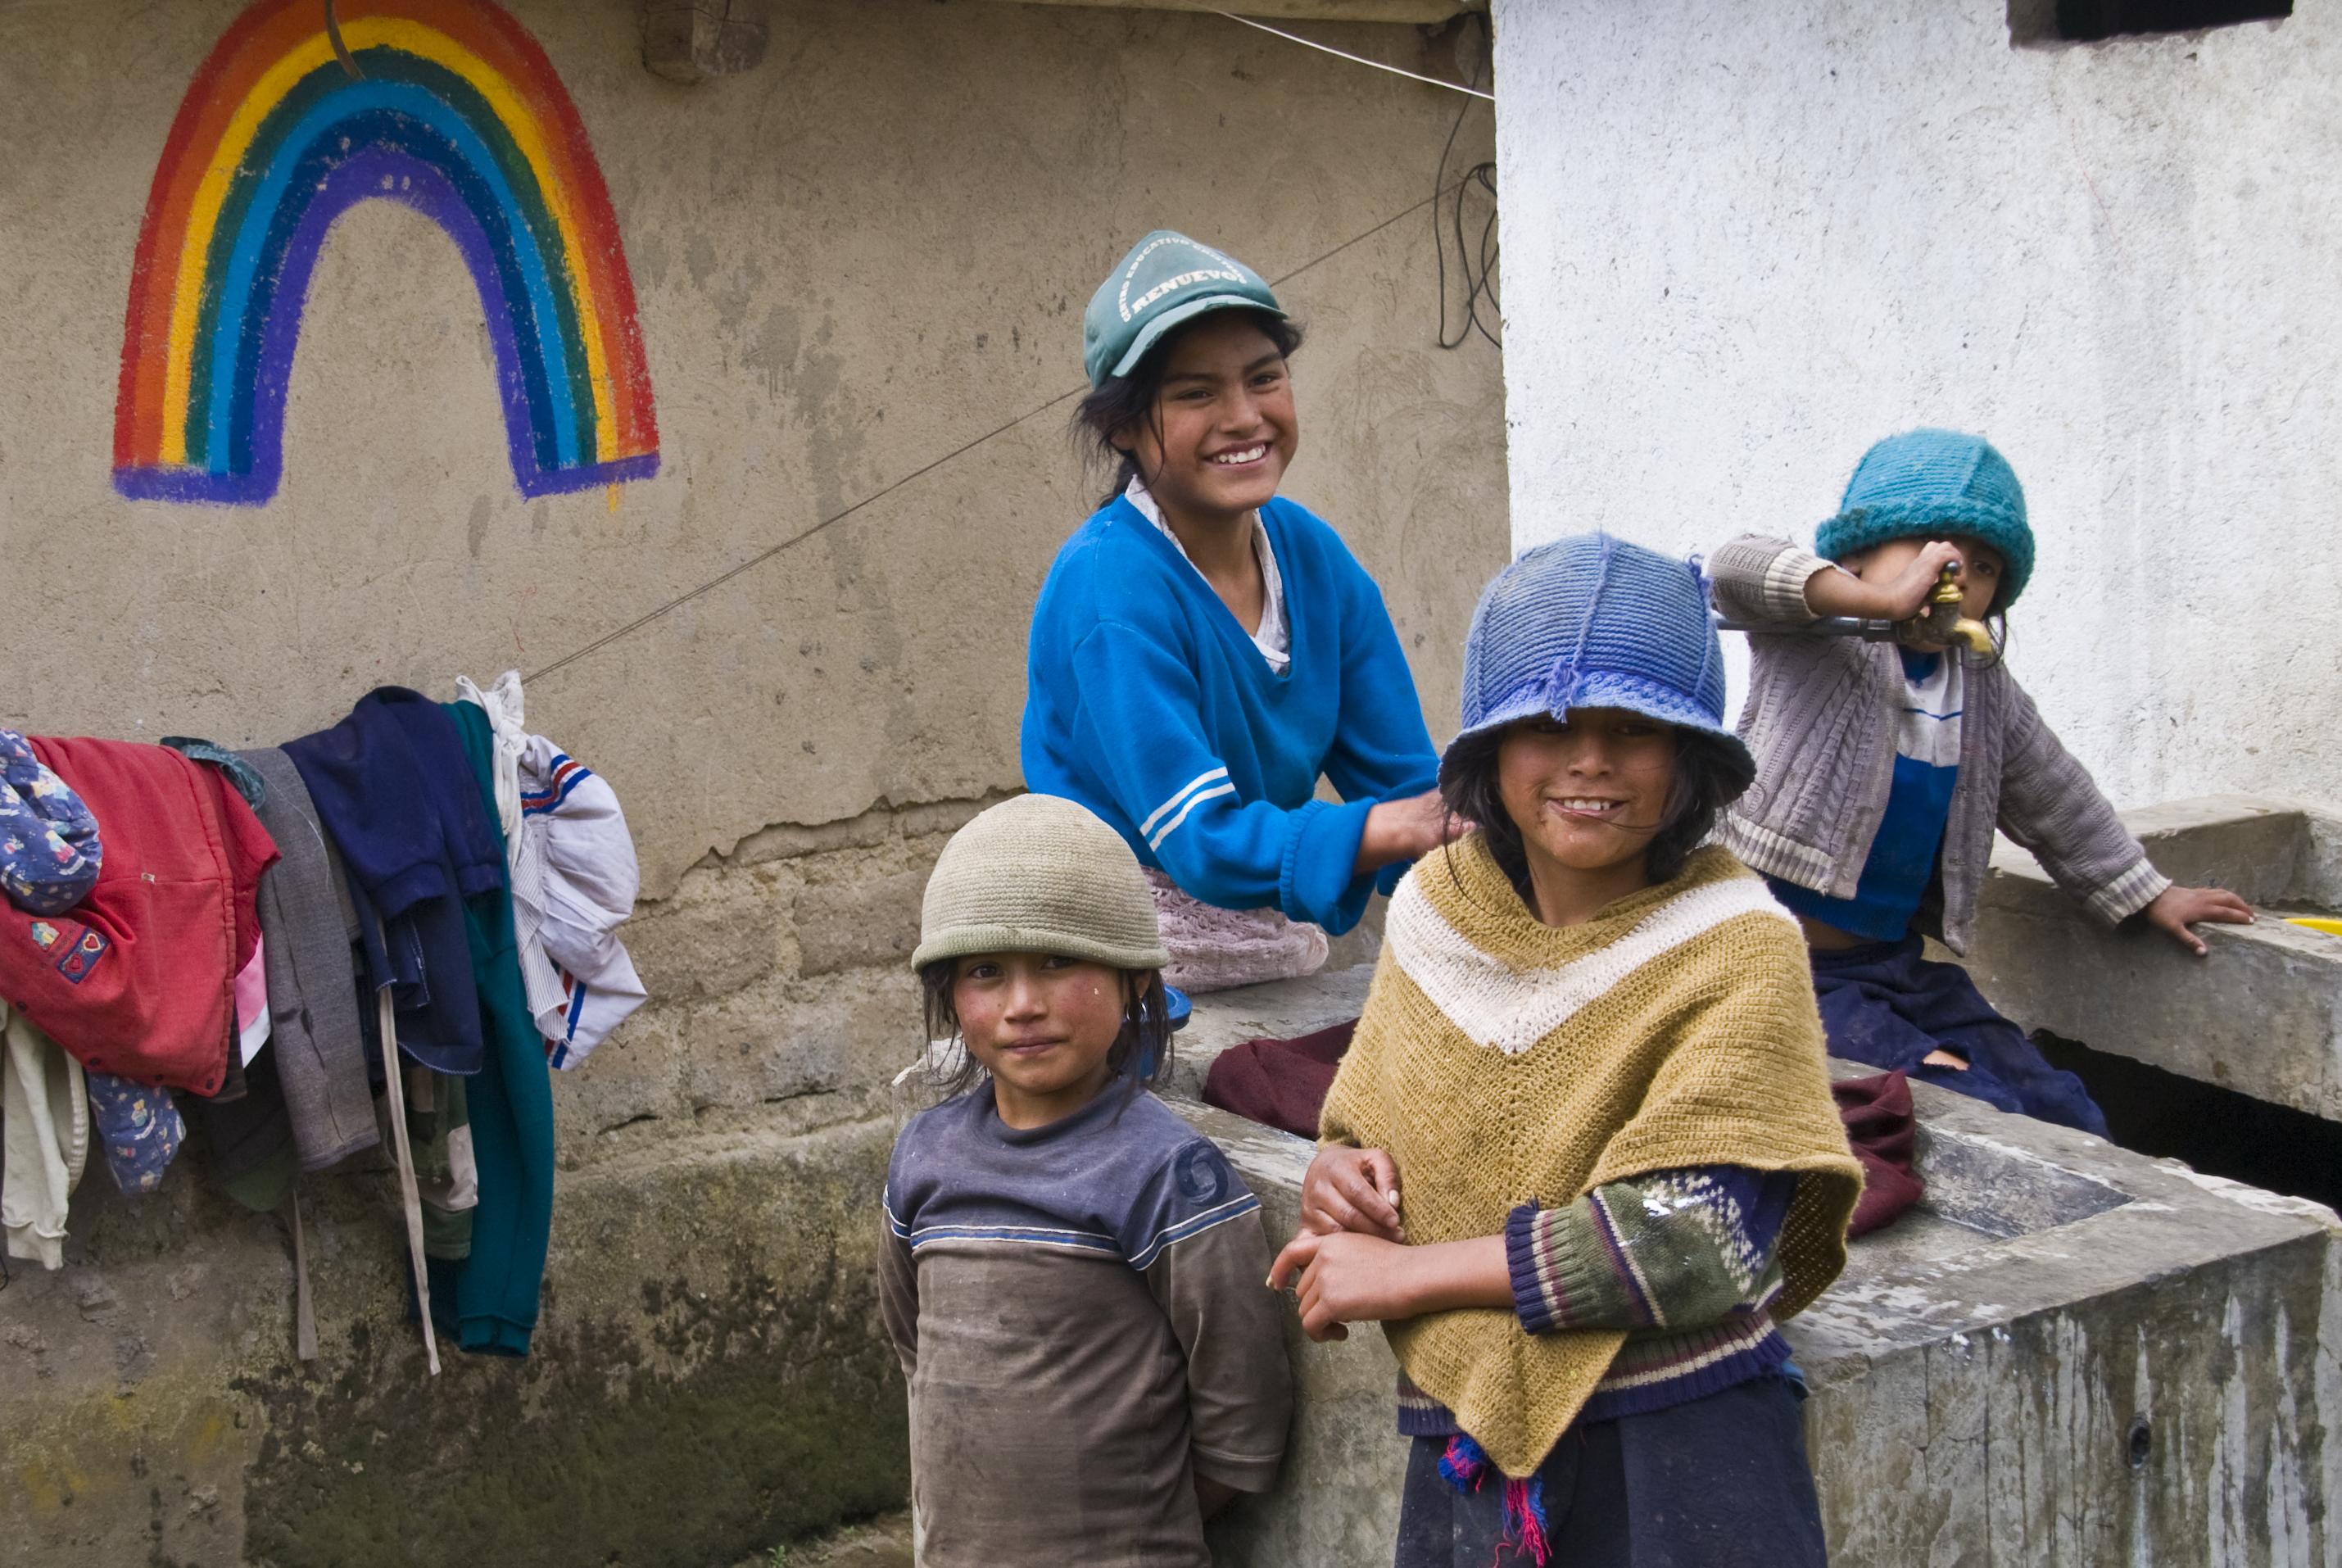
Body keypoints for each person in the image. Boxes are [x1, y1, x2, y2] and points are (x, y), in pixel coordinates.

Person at [1271, 536, 1864, 1568]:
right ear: (1490, 754)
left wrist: (1401, 1278)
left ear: (1690, 760)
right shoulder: (1436, 913)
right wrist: (1340, 1178)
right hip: (1469, 1462)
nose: (1590, 761)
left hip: (1686, 1450)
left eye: (1635, 729)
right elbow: (1368, 1117)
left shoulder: (1738, 944)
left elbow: (1701, 1239)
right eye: (1548, 726)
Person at [1710, 428, 2254, 1134]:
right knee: (1955, 1093)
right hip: (1766, 966)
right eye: (1930, 548)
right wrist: (1876, 601)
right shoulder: (1815, 640)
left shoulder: (1980, 684)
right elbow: (1735, 567)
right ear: (1854, 555)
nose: (1956, 573)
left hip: (1891, 964)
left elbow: (2054, 795)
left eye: (1984, 564)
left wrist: (2145, 891)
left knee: (2054, 1103)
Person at [1022, 229, 1460, 994]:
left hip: (1262, 933)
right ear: (1120, 426)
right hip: (1118, 954)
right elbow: (1200, 842)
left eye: (1264, 379)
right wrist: (1392, 829)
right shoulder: (1110, 587)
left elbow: (1405, 787)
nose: (1243, 416)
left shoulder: (1311, 555)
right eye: (1195, 393)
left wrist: (1484, 853)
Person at [879, 794, 1292, 1566]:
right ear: (949, 995)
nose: (1022, 1006)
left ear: (1135, 980)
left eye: (1059, 962)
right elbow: (915, 1347)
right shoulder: (923, 1156)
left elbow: (1241, 1411)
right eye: (985, 972)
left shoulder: (1168, 1175)